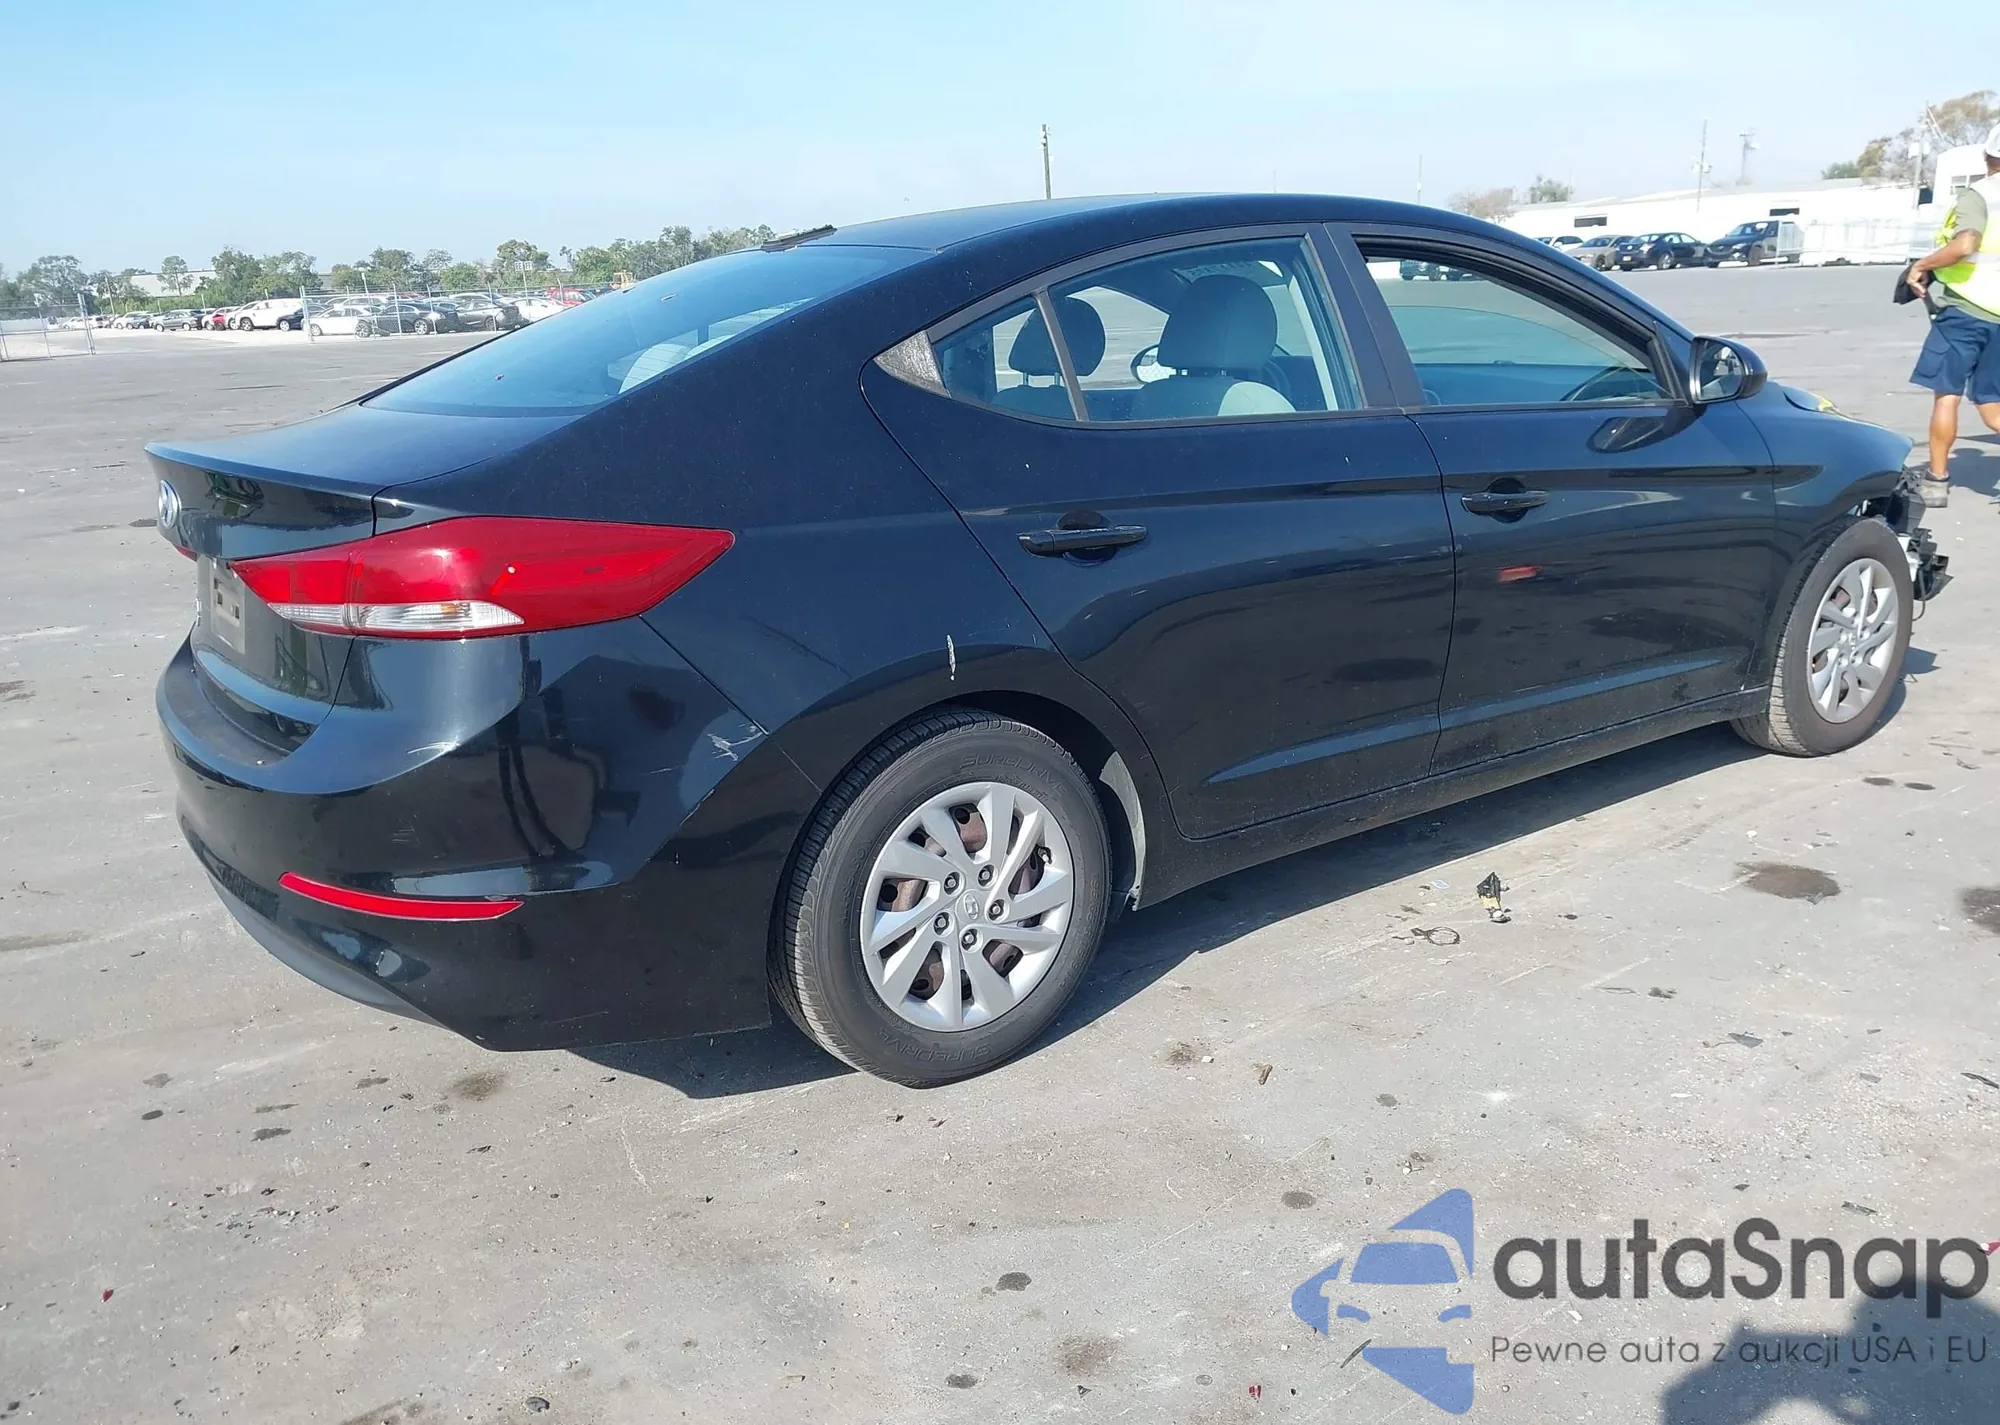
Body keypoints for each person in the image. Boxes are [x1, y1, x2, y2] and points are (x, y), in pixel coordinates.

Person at [1904, 123, 2000, 507]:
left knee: (1947, 395)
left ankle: (1936, 480)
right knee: (1993, 407)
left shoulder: (1981, 195)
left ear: (1987, 155)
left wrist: (1922, 265)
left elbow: (1965, 244)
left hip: (1965, 311)